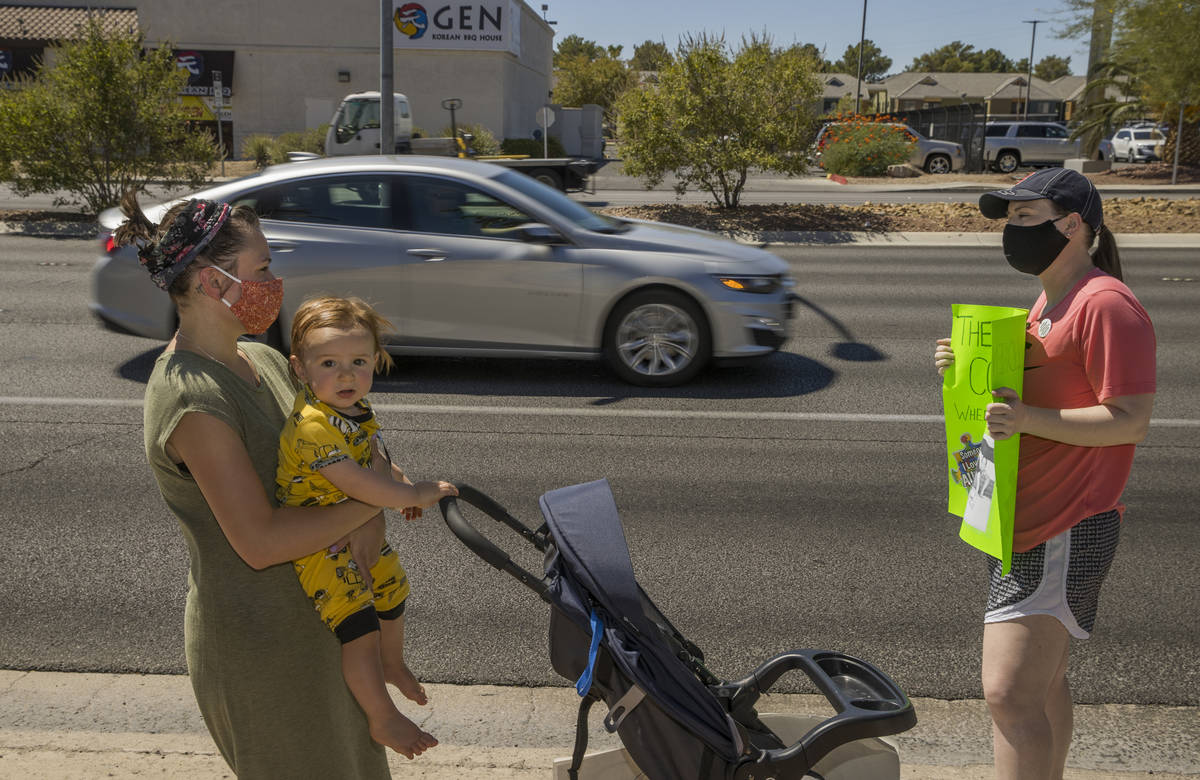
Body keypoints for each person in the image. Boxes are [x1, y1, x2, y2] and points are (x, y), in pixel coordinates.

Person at [117, 192, 416, 778]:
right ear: (211, 282)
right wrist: (377, 501)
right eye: (261, 269)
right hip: (265, 650)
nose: (273, 282)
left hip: (325, 624)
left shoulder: (266, 360)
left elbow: (350, 443)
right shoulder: (193, 397)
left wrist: (377, 502)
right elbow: (261, 542)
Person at [933, 168, 1156, 780]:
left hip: (1063, 524)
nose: (1012, 229)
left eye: (1025, 216)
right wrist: (963, 365)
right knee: (1043, 683)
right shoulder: (1049, 299)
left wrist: (1026, 417)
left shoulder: (1105, 303)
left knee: (1009, 693)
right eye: (1010, 218)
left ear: (1072, 224)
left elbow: (1129, 420)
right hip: (1021, 516)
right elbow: (1026, 388)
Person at [276, 295, 456, 757]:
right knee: (359, 628)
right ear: (300, 369)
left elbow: (373, 458)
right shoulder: (313, 425)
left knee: (393, 592)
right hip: (321, 545)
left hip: (359, 531)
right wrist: (414, 495)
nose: (346, 375)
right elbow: (355, 482)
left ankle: (392, 666)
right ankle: (381, 716)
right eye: (329, 363)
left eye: (358, 361)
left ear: (375, 361)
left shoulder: (356, 408)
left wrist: (400, 486)